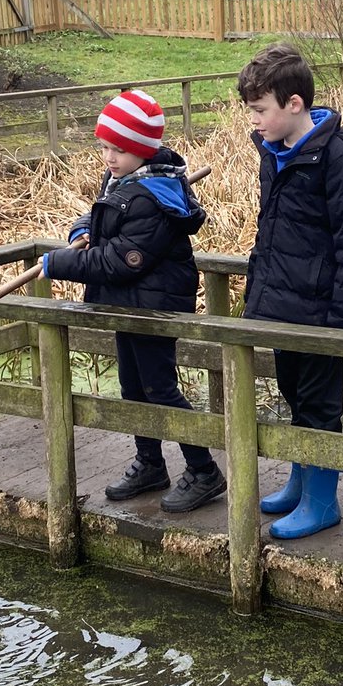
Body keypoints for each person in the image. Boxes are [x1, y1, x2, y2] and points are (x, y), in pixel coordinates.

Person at [42, 87, 226, 513]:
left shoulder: (152, 196)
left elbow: (121, 261)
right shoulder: (125, 178)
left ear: (142, 150)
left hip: (154, 303)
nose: (109, 157)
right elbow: (104, 212)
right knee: (132, 385)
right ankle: (149, 462)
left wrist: (62, 264)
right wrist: (79, 230)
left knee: (160, 388)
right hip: (129, 303)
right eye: (105, 147)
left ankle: (204, 470)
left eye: (119, 150)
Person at [238, 43, 343, 539]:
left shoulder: (340, 156)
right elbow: (270, 230)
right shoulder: (273, 153)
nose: (254, 120)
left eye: (260, 110)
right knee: (293, 391)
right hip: (283, 302)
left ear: (293, 104)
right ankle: (302, 481)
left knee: (320, 405)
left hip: (320, 311)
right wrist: (259, 292)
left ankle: (323, 501)